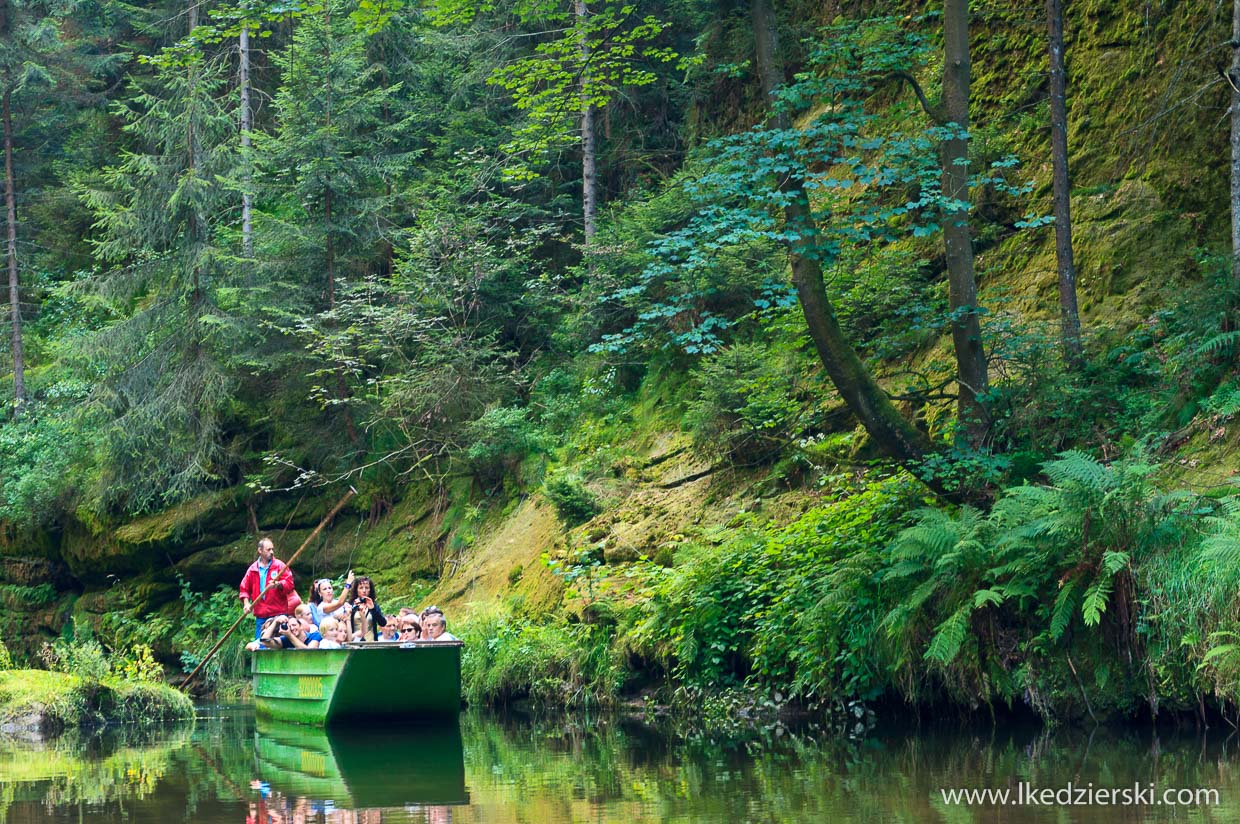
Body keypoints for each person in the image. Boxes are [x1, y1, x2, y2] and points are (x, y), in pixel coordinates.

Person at [239, 537, 295, 640]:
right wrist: (246, 604)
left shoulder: (279, 566)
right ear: (260, 551)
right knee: (260, 644)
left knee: (281, 643)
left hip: (279, 613)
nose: (272, 552)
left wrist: (278, 584)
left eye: (272, 549)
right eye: (268, 550)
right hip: (261, 615)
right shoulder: (253, 569)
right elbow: (244, 589)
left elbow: (290, 584)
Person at [347, 576, 388, 641]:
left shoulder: (374, 606)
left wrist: (373, 609)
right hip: (355, 643)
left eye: (366, 588)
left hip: (371, 643)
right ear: (356, 590)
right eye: (361, 588)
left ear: (370, 590)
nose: (364, 591)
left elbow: (383, 623)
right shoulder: (351, 606)